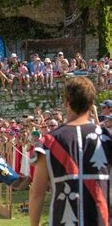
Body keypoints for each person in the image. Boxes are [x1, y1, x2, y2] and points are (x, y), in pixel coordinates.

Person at [29, 77, 111, 226]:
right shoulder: (106, 138)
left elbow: (37, 193)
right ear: (92, 104)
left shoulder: (50, 141)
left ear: (66, 101)